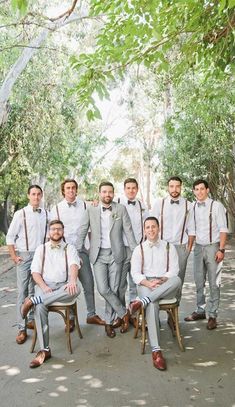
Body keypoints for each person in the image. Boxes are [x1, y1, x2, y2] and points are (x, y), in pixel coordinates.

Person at [77, 181, 137, 338]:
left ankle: (109, 323)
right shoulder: (91, 209)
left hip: (116, 254)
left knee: (115, 288)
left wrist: (137, 252)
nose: (107, 195)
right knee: (103, 289)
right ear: (99, 193)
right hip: (98, 255)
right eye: (104, 192)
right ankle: (124, 313)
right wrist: (77, 251)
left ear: (113, 193)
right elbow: (83, 230)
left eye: (110, 192)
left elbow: (129, 232)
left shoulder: (120, 209)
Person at [21, 219, 81, 368]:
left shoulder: (69, 248)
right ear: (49, 232)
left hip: (63, 286)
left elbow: (74, 265)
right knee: (41, 307)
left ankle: (33, 300)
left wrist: (72, 280)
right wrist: (43, 286)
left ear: (63, 231)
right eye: (53, 229)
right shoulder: (41, 249)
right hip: (44, 284)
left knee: (76, 289)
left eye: (59, 229)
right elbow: (35, 272)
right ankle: (44, 350)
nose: (56, 231)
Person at [50, 179, 104, 329]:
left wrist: (92, 249)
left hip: (82, 250)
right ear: (63, 190)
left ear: (76, 190)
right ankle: (70, 318)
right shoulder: (56, 208)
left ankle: (91, 314)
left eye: (73, 187)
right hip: (64, 252)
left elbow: (92, 229)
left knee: (88, 283)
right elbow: (53, 231)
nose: (71, 190)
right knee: (68, 285)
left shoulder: (85, 205)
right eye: (68, 188)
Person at [130, 217, 181, 371]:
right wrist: (148, 283)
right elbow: (135, 274)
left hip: (164, 283)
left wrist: (162, 280)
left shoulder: (169, 247)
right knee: (152, 304)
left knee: (177, 280)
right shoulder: (138, 249)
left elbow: (174, 270)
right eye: (148, 227)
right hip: (146, 284)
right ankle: (156, 351)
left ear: (159, 229)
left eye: (153, 227)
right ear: (144, 230)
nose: (151, 230)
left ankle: (142, 301)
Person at [6, 185, 48, 345]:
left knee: (34, 290)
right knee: (23, 291)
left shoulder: (46, 213)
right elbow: (10, 237)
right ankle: (21, 328)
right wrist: (14, 257)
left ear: (41, 196)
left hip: (40, 255)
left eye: (38, 194)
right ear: (28, 196)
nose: (36, 197)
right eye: (33, 194)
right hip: (24, 255)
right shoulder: (20, 214)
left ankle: (31, 319)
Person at [185, 179, 228, 330]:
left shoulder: (217, 206)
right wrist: (189, 249)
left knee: (214, 282)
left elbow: (223, 229)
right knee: (198, 281)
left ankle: (213, 315)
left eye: (202, 189)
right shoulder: (192, 207)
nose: (199, 192)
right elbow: (191, 230)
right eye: (196, 189)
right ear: (194, 191)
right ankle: (201, 310)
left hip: (213, 247)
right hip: (198, 247)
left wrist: (221, 249)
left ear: (207, 190)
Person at [151, 176, 193, 300]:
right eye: (172, 186)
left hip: (181, 247)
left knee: (178, 279)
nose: (174, 189)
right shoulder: (159, 203)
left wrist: (188, 250)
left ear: (181, 187)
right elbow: (151, 225)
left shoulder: (188, 205)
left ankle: (174, 312)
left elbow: (192, 229)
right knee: (159, 278)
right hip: (162, 246)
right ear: (168, 187)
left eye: (177, 186)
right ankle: (157, 311)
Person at [115, 178, 148, 327]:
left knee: (135, 282)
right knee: (120, 284)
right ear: (124, 189)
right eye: (128, 188)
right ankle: (122, 315)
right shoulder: (116, 202)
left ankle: (134, 314)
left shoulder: (142, 204)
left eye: (133, 188)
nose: (131, 191)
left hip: (138, 249)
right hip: (122, 248)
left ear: (137, 189)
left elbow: (147, 224)